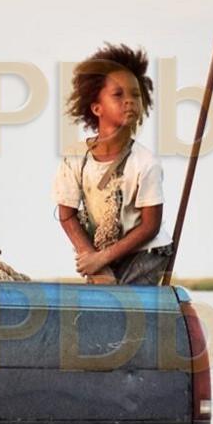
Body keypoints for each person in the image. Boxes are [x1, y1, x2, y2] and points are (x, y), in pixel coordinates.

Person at [53, 43, 175, 285]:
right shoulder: (75, 158)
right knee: (102, 291)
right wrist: (92, 258)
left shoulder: (145, 162)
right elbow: (67, 215)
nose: (129, 101)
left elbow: (150, 226)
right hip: (102, 250)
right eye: (118, 95)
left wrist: (102, 258)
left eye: (135, 95)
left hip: (145, 251)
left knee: (121, 298)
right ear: (96, 108)